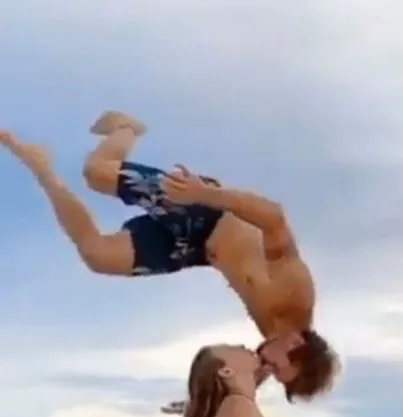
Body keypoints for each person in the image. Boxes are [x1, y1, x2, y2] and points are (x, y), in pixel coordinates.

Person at [0, 115, 339, 401]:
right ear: (296, 344)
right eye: (279, 368)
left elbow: (245, 388)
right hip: (206, 213)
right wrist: (205, 193)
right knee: (97, 172)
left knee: (98, 255)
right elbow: (274, 218)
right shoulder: (295, 293)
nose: (270, 368)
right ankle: (126, 128)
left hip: (196, 250)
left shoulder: (275, 342)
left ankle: (39, 165)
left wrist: (198, 406)